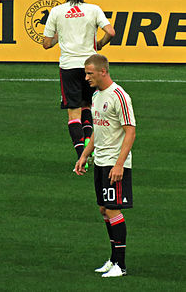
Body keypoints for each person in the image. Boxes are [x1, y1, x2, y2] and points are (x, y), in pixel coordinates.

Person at [43, 0, 115, 169]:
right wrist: (99, 44)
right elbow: (111, 31)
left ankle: (81, 157)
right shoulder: (93, 9)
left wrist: (61, 34)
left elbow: (46, 44)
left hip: (68, 66)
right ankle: (90, 150)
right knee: (88, 108)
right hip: (89, 65)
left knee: (73, 114)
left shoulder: (57, 11)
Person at [75, 54, 136, 278]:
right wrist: (84, 155)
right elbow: (97, 133)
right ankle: (113, 260)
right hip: (100, 161)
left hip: (114, 163)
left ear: (103, 71)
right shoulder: (96, 96)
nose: (86, 77)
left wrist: (119, 165)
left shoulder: (119, 96)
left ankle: (121, 265)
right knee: (104, 209)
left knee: (112, 209)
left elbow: (130, 130)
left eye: (90, 73)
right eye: (85, 73)